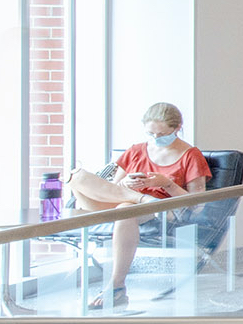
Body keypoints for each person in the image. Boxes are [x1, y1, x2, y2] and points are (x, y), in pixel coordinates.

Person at [59, 103, 212, 309]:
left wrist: (166, 184)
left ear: (177, 128)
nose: (156, 139)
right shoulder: (135, 151)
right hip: (122, 200)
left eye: (162, 134)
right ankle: (141, 199)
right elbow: (111, 188)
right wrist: (127, 183)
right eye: (151, 133)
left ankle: (116, 286)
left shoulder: (190, 155)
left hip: (161, 210)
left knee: (125, 209)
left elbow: (196, 204)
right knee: (76, 177)